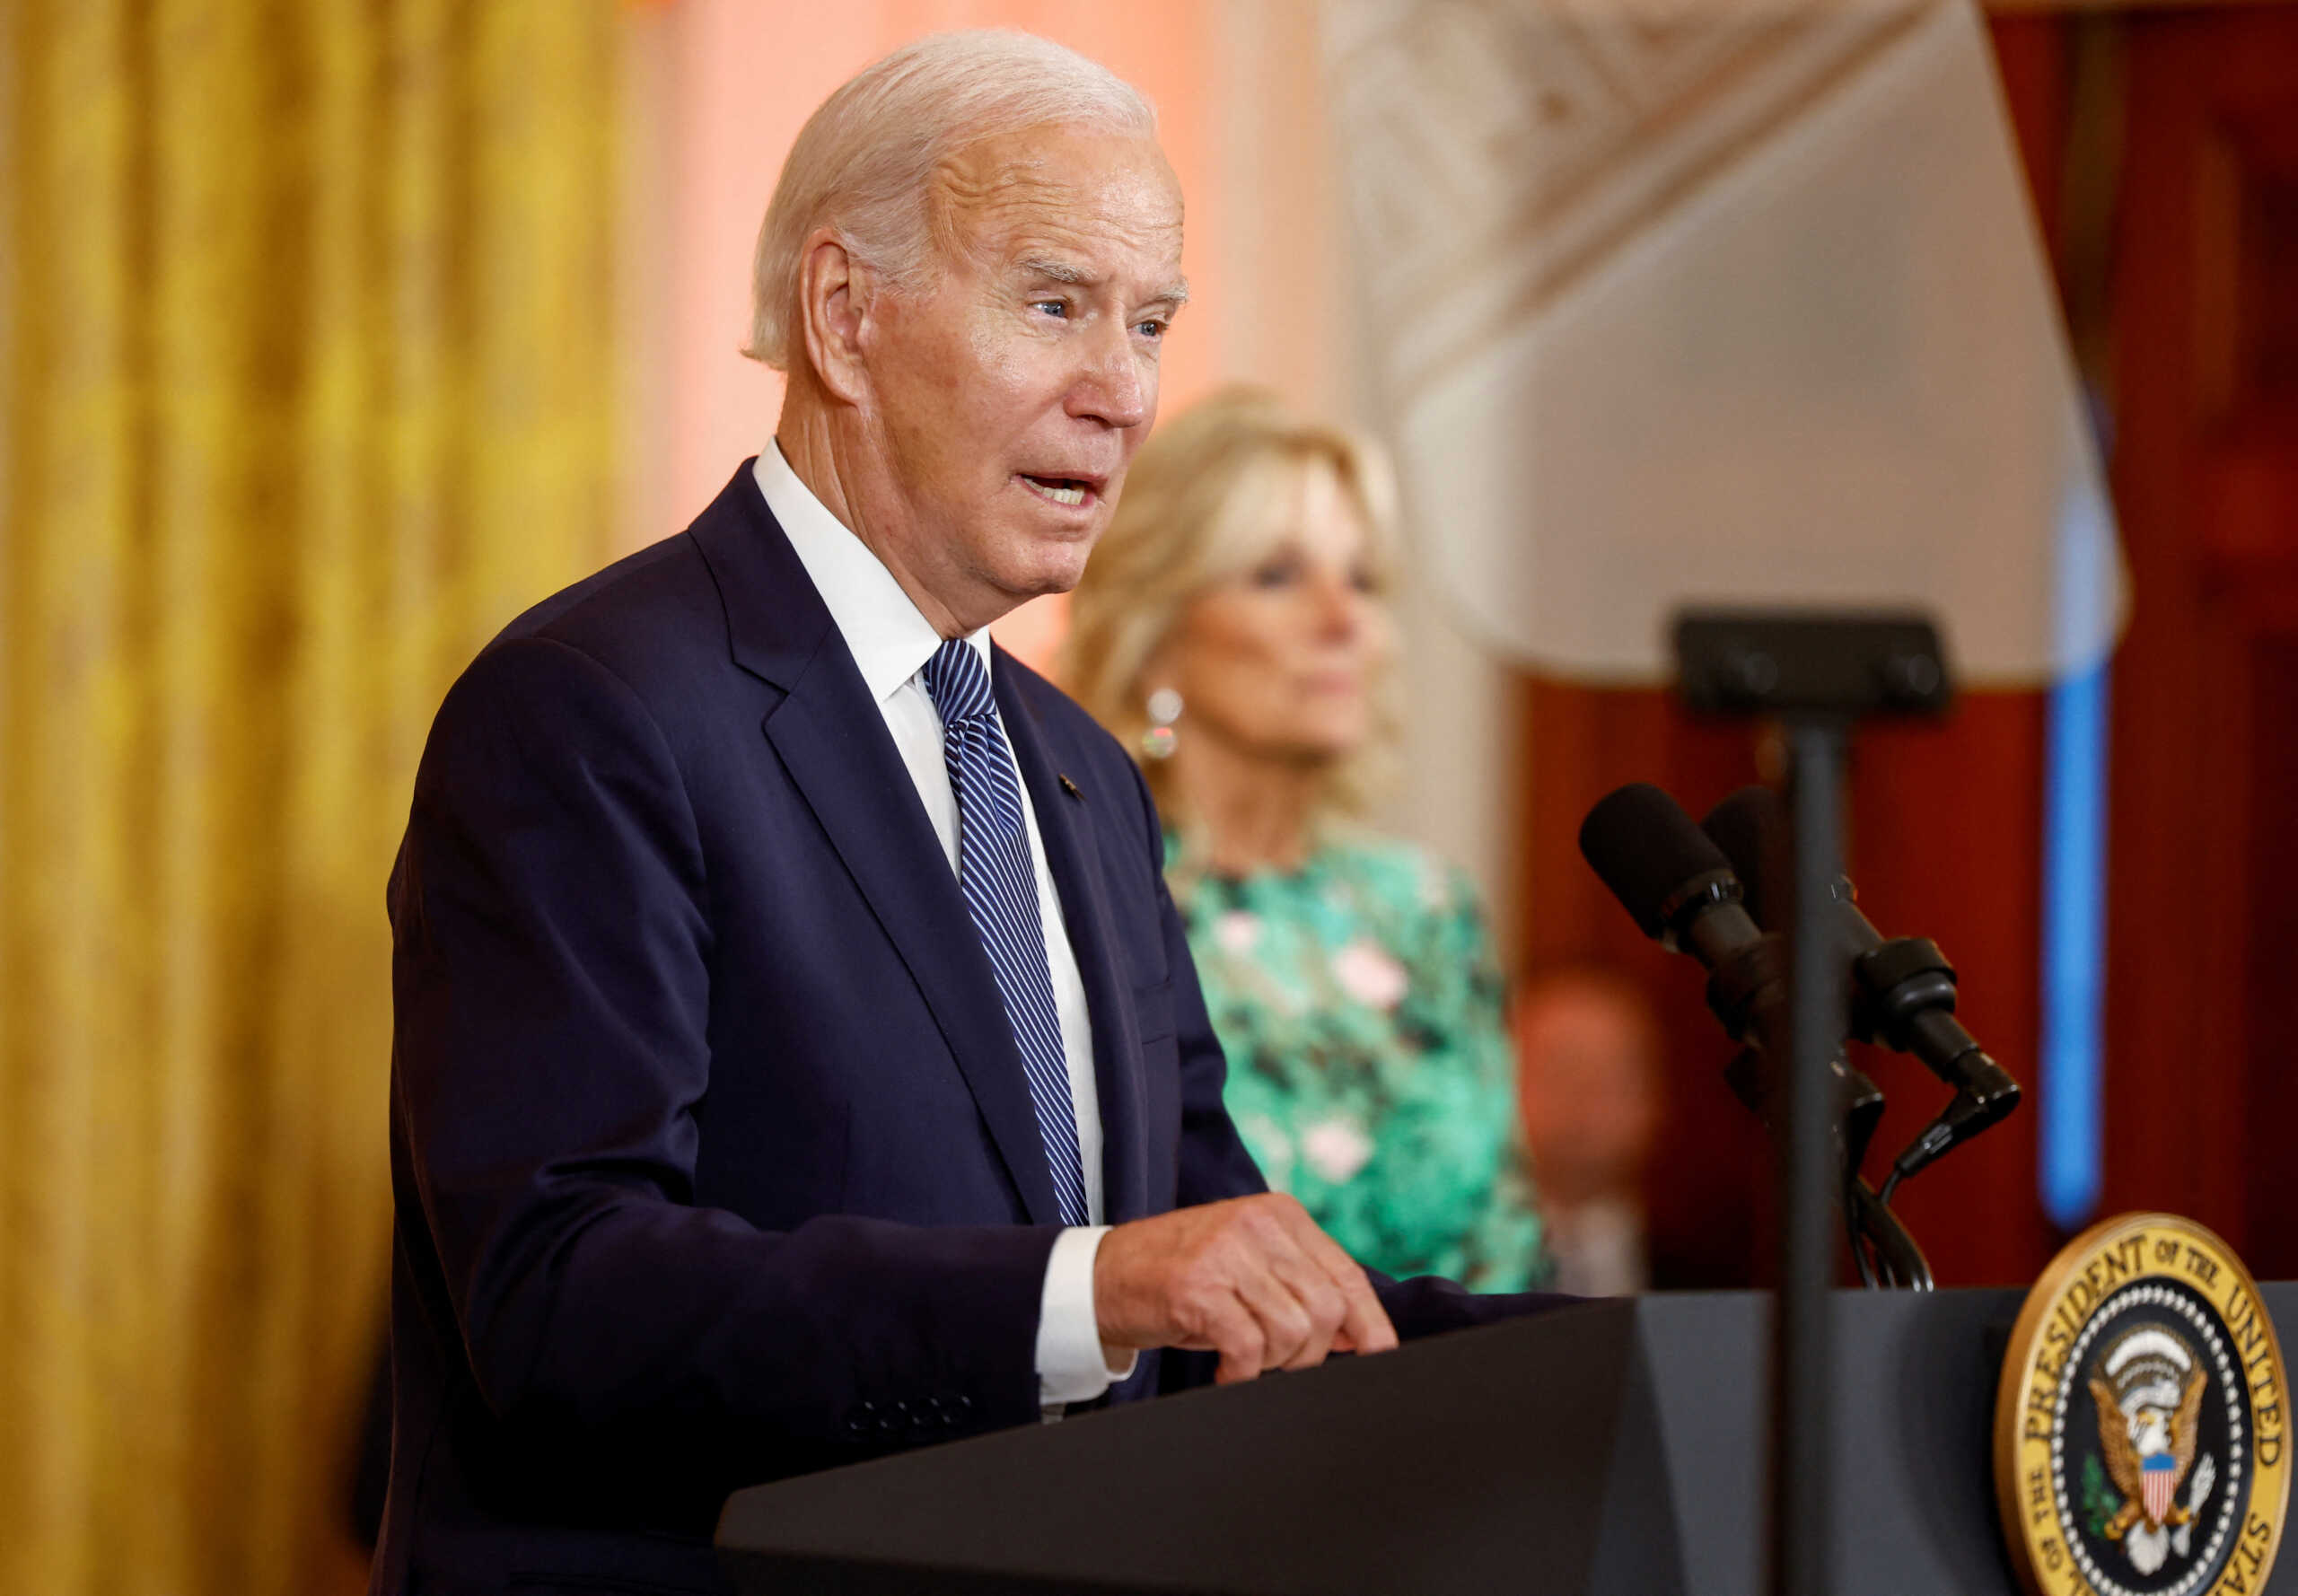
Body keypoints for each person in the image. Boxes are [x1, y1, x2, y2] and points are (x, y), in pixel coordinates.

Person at [375, 33, 1561, 1596]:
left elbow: (1214, 1272)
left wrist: (1688, 1362)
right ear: (845, 317)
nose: (1125, 394)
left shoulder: (1077, 776)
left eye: (1150, 325)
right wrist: (1093, 1286)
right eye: (1057, 305)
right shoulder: (595, 708)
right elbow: (562, 1291)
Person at [1062, 389, 1547, 1292]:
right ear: (1158, 634)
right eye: (1278, 575)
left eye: (1361, 579)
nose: (1341, 620)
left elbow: (1508, 1242)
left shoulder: (1426, 911)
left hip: (1461, 1413)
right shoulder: (1080, 902)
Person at [1513, 964, 1661, 1297]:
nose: (1585, 1097)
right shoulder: (1448, 1277)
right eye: (1561, 1069)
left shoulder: (1727, 1280)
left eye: (1614, 1077)